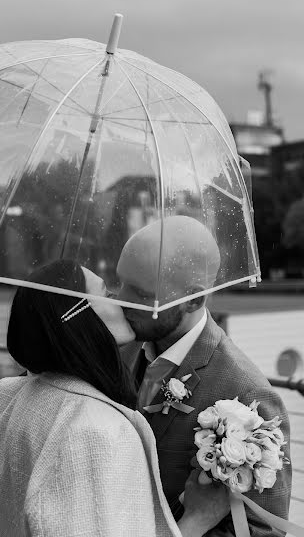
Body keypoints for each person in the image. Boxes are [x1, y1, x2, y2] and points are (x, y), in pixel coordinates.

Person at [0, 259, 230, 537]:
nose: (122, 300)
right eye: (107, 294)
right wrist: (197, 520)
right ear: (78, 317)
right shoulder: (95, 431)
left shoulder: (9, 397)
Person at [117, 215, 292, 537]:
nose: (119, 299)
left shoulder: (248, 393)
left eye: (140, 293)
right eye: (120, 282)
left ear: (194, 299)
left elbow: (261, 531)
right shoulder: (118, 350)